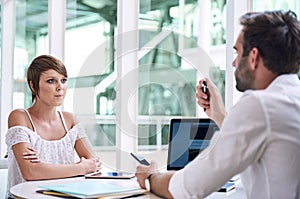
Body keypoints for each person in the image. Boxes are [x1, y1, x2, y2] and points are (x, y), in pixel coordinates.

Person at [135, 10, 300, 199]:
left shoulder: (261, 105)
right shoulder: (290, 99)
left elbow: (189, 187)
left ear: (253, 57)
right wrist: (219, 114)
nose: (233, 62)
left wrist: (152, 176)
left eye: (238, 52)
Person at [5, 55, 101, 198]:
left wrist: (43, 168)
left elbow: (94, 165)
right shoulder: (20, 117)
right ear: (33, 85)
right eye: (51, 81)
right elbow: (31, 172)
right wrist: (80, 167)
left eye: (63, 81)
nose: (60, 87)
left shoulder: (70, 120)